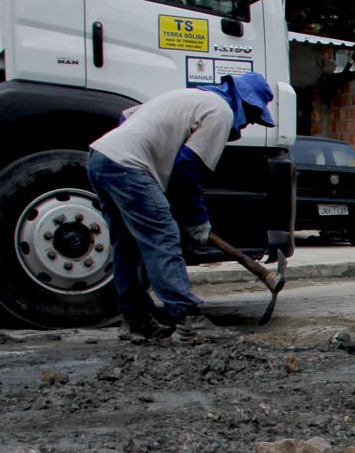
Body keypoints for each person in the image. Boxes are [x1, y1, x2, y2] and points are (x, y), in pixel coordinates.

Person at [87, 72, 277, 342]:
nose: (245, 126)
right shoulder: (220, 111)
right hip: (129, 166)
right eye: (252, 117)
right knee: (162, 236)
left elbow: (127, 119)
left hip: (102, 158)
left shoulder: (190, 97)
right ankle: (188, 320)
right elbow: (187, 169)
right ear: (245, 104)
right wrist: (196, 219)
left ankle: (135, 319)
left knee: (128, 245)